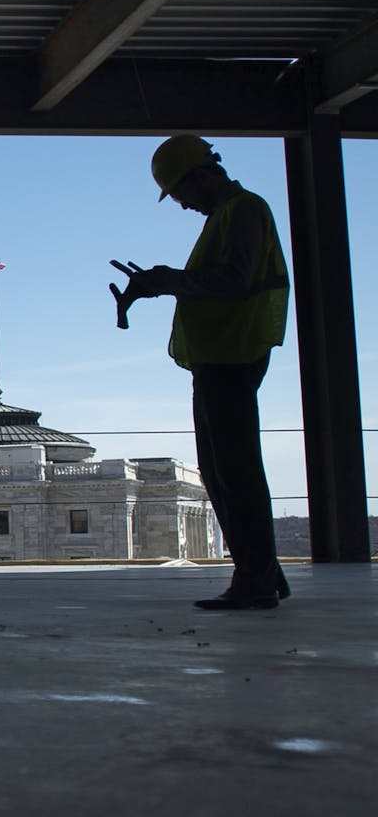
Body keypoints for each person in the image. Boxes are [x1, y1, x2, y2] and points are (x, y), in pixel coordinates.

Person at [115, 135, 291, 611]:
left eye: (179, 192)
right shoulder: (229, 215)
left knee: (234, 470)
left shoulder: (244, 210)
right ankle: (264, 572)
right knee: (221, 469)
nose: (182, 204)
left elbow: (234, 281)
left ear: (200, 175)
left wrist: (168, 280)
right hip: (221, 355)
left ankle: (255, 578)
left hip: (232, 355)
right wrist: (160, 284)